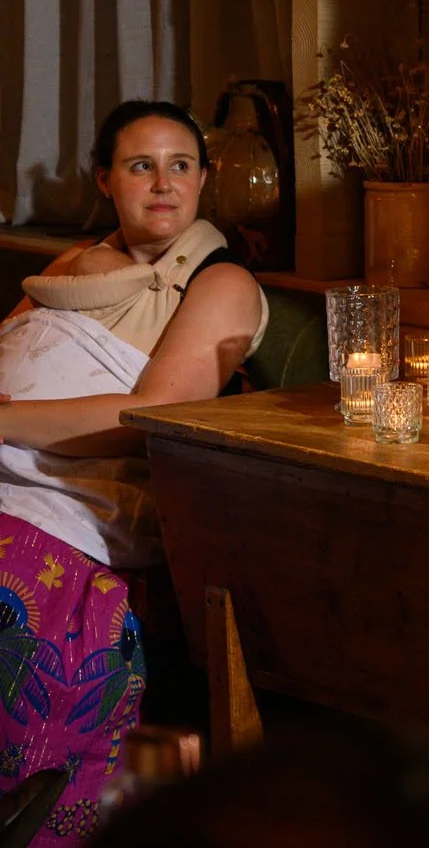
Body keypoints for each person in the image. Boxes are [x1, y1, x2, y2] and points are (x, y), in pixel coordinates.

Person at [0, 101, 268, 845]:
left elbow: (155, 411)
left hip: (88, 496)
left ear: (205, 179)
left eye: (180, 165)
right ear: (104, 180)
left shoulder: (221, 282)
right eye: (140, 166)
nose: (163, 183)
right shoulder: (67, 272)